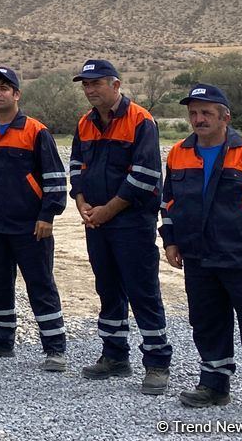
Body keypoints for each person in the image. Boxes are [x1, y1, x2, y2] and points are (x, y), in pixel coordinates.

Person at [161, 83, 242, 421]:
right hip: (198, 256)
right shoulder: (178, 153)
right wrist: (171, 240)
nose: (198, 119)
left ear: (225, 117)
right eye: (193, 113)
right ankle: (214, 385)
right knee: (206, 322)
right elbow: (168, 202)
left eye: (206, 112)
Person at [68, 58, 171, 394]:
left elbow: (145, 177)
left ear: (115, 84)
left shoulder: (141, 120)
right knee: (108, 288)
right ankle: (114, 355)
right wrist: (82, 202)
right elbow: (75, 167)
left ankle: (156, 363)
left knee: (142, 291)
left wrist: (107, 211)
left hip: (131, 222)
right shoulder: (84, 123)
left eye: (96, 83)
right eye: (85, 84)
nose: (89, 89)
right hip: (96, 221)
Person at [0, 66, 68, 371]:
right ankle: (0, 340)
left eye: (4, 88)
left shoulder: (36, 131)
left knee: (41, 284)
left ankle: (55, 348)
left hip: (30, 226)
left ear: (17, 94)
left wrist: (48, 214)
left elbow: (55, 178)